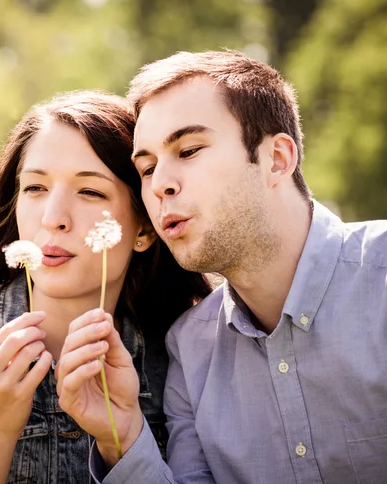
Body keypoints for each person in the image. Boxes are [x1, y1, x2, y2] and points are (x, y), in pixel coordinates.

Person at [56, 51, 387, 483]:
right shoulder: (190, 349)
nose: (160, 186)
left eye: (189, 150)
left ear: (277, 159)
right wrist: (121, 437)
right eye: (147, 168)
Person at [0, 90, 211, 483]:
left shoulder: (185, 356)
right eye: (35, 188)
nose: (53, 218)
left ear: (145, 226)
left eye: (90, 191)